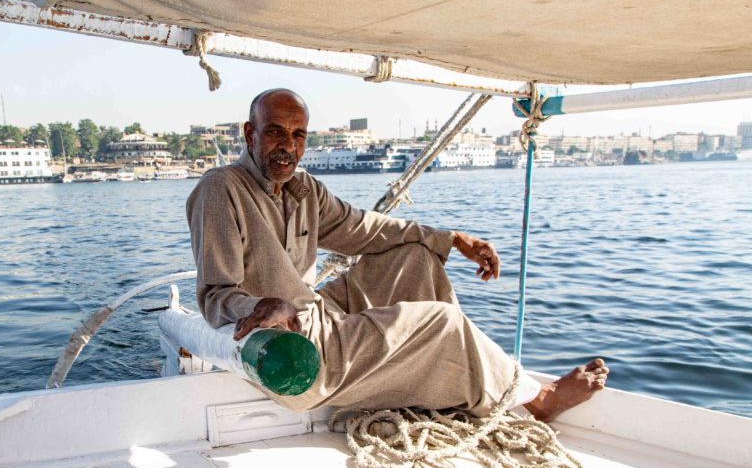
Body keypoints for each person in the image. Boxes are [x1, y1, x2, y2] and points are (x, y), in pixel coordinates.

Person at [186, 88, 608, 421]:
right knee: (442, 322)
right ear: (249, 133)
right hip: (297, 350)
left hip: (322, 314)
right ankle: (540, 399)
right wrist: (261, 305)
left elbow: (366, 229)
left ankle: (446, 382)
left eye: (298, 136)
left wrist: (451, 239)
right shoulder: (221, 190)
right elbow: (214, 294)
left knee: (414, 255)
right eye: (275, 131)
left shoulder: (304, 190)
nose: (288, 147)